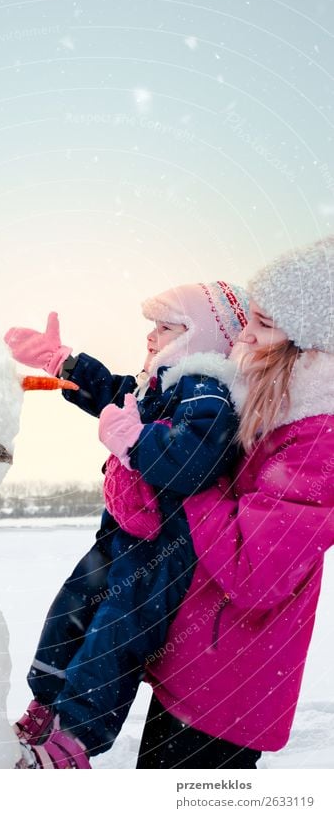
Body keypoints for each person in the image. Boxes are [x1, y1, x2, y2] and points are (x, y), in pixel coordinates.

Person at [4, 281, 248, 768]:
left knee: (114, 636)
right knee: (69, 611)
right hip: (119, 533)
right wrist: (63, 363)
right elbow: (116, 394)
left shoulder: (209, 391)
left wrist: (136, 441)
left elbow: (194, 458)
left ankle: (74, 741)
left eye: (167, 327)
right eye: (152, 327)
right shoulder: (163, 384)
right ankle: (46, 703)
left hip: (160, 549)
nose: (152, 336)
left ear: (203, 335)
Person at [134, 238, 334, 769]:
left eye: (264, 323)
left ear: (312, 345)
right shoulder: (264, 411)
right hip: (197, 665)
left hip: (230, 689)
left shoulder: (319, 440)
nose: (245, 332)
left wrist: (190, 472)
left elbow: (255, 571)